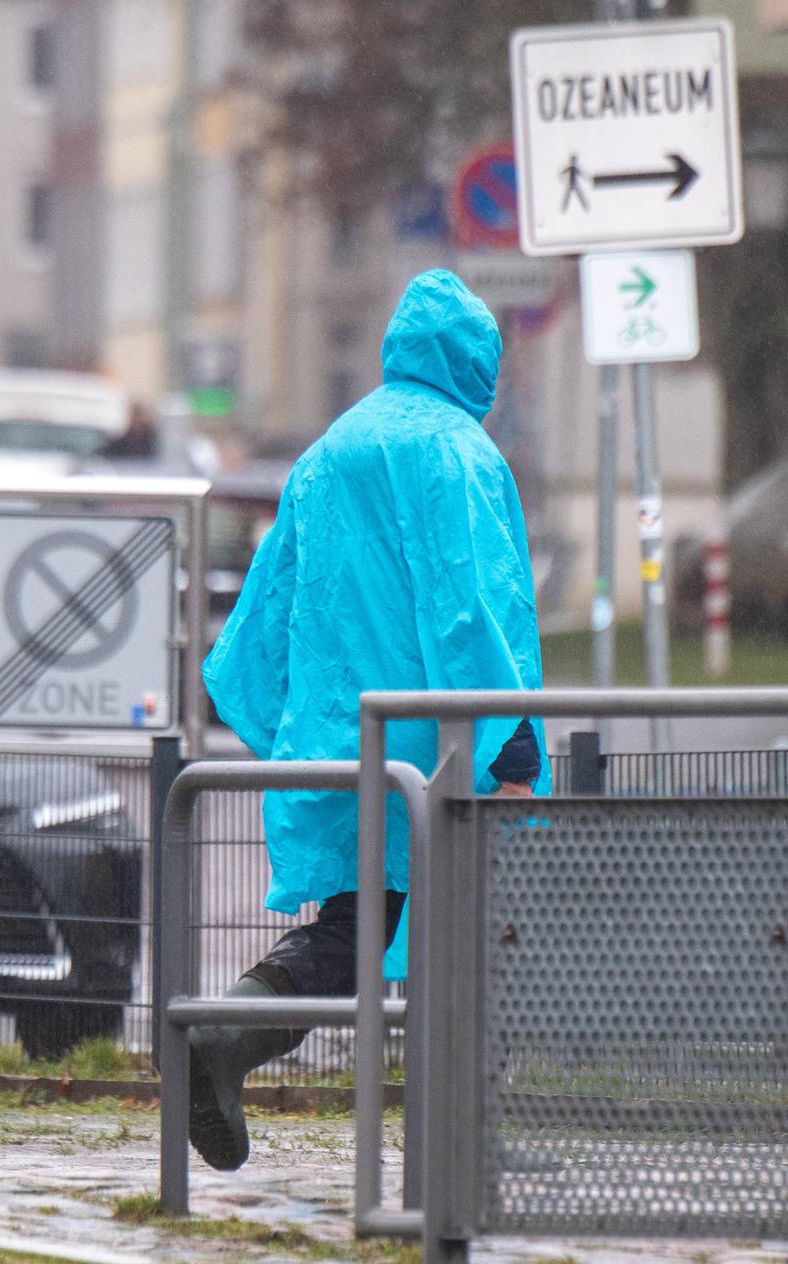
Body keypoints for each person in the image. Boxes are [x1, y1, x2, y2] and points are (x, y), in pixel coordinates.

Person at [192, 269, 546, 1171]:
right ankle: (466, 1146)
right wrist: (508, 740)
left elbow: (258, 623)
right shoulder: (458, 454)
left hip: (342, 742)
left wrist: (293, 733)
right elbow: (475, 608)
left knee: (358, 925)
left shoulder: (327, 453)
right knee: (466, 930)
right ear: (475, 364)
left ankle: (226, 1034)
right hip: (439, 747)